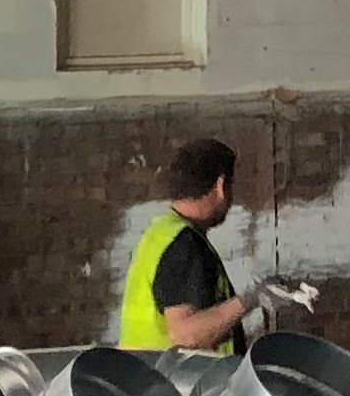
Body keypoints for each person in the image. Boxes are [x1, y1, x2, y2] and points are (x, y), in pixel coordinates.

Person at [113, 138, 314, 354]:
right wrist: (251, 299)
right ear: (220, 186)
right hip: (176, 376)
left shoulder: (161, 233)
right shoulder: (184, 244)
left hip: (150, 373)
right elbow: (187, 335)